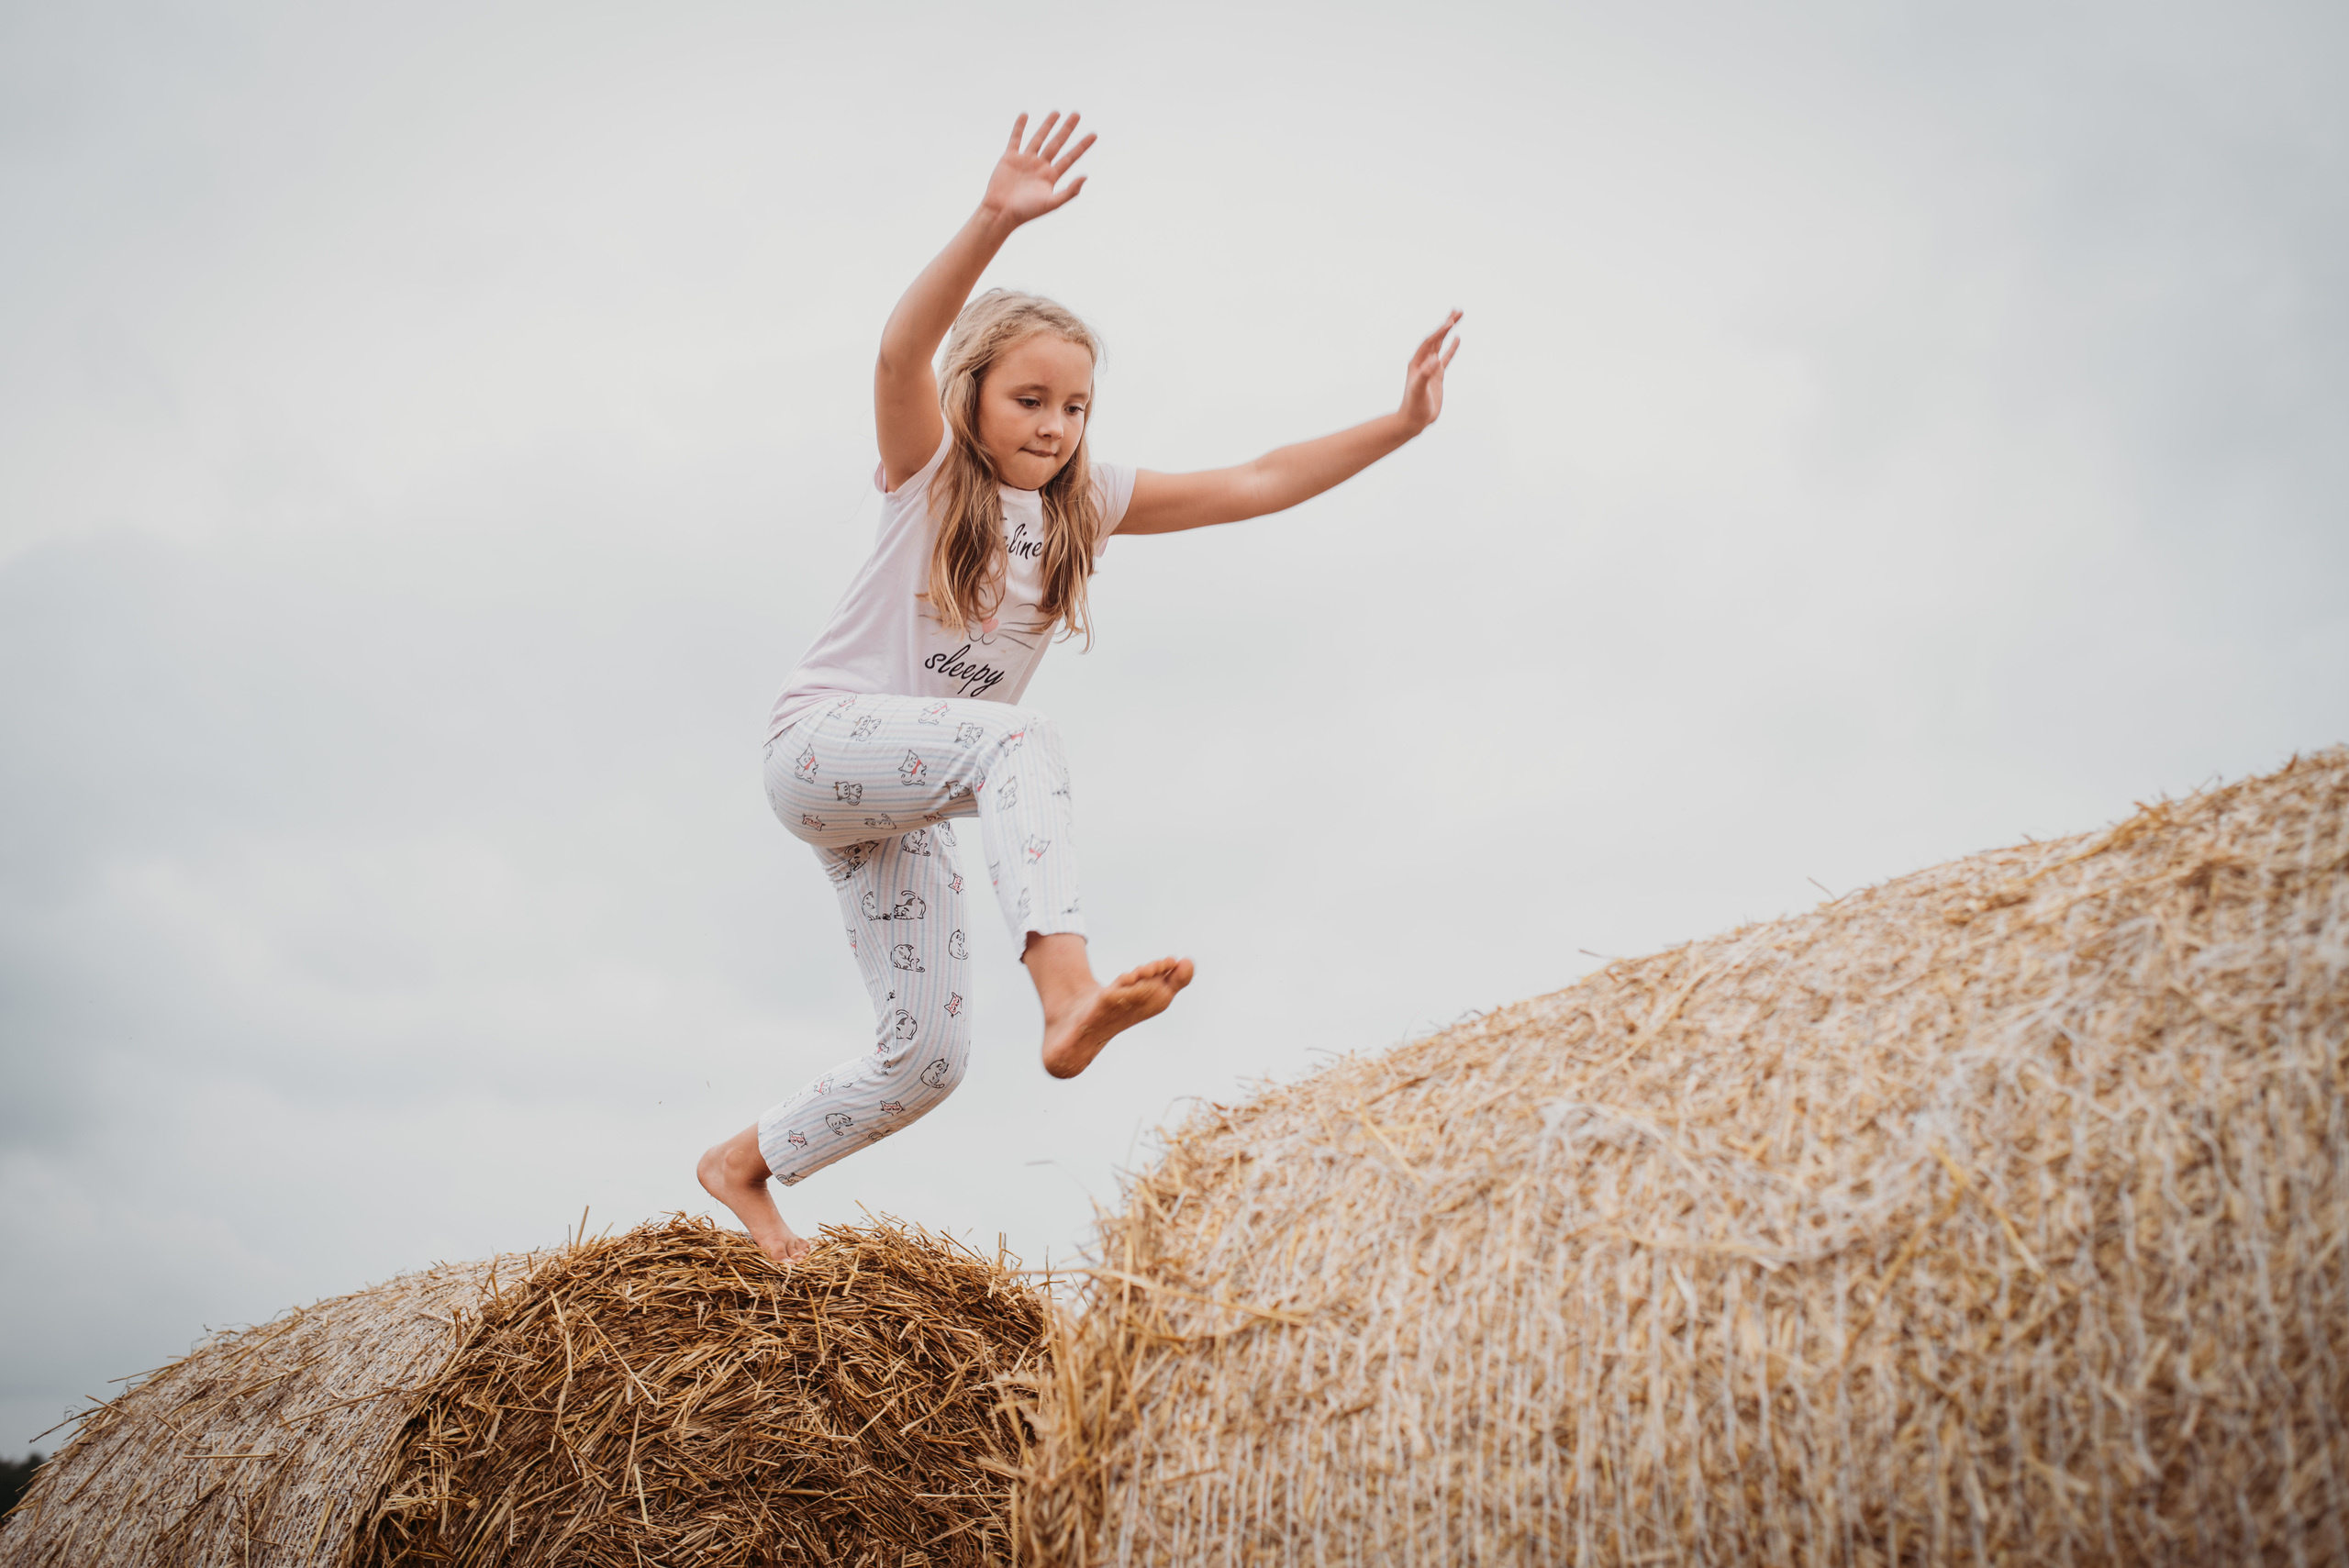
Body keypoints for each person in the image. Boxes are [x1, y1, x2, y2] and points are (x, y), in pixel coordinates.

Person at [698, 112, 1460, 1262]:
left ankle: (744, 1163)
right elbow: (897, 355)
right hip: (818, 754)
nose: (1055, 425)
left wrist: (1399, 425)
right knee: (1019, 739)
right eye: (1030, 400)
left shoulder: (1083, 503)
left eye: (1075, 406)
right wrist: (993, 219)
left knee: (927, 1056)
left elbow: (1254, 479)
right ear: (977, 398)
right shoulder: (927, 469)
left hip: (905, 795)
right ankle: (1066, 994)